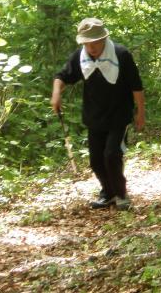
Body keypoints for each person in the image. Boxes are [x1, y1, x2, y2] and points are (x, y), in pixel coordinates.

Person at [51, 18, 144, 210]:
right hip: (94, 116)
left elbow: (136, 86)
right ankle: (107, 193)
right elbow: (62, 76)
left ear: (104, 39)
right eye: (87, 43)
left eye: (95, 42)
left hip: (119, 115)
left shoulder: (121, 54)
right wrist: (56, 94)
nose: (91, 47)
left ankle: (121, 194)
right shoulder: (81, 57)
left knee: (111, 154)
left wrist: (140, 112)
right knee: (95, 160)